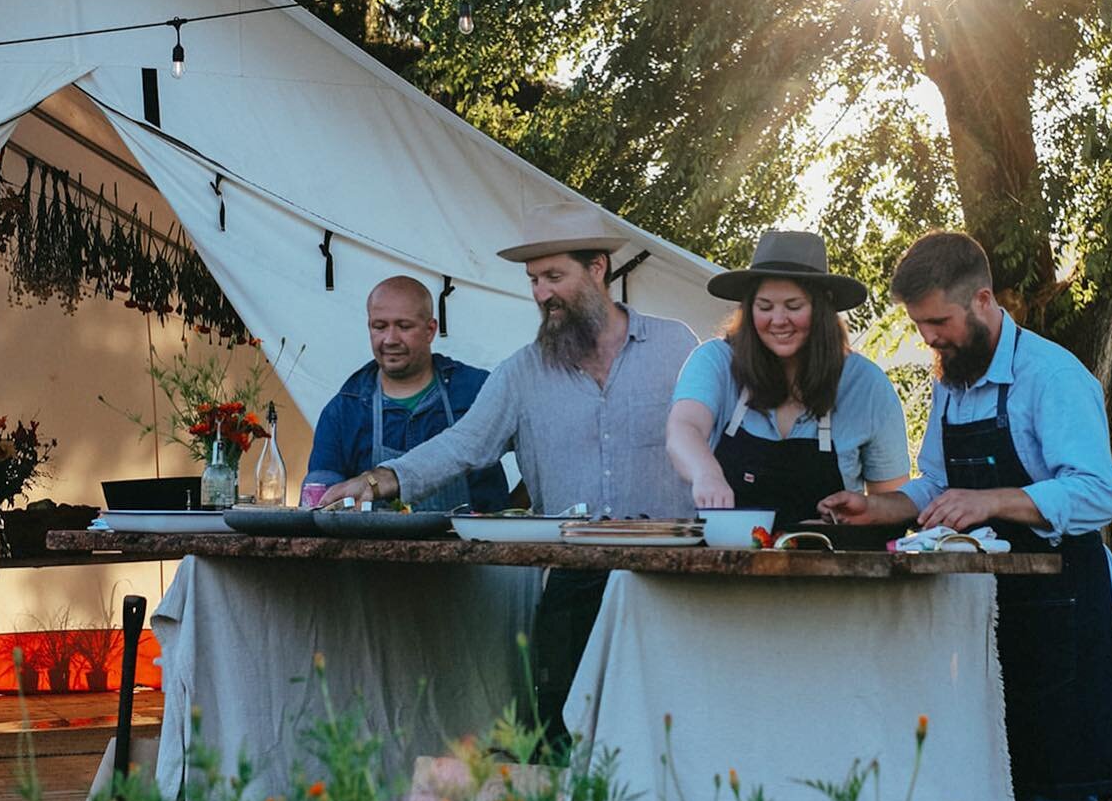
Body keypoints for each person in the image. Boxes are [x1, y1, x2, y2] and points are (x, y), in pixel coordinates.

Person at [820, 230, 1112, 801]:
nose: (931, 339)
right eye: (923, 327)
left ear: (983, 301)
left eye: (939, 324)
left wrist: (991, 499)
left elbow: (1095, 493)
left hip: (1068, 624)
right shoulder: (954, 383)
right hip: (990, 628)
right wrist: (879, 507)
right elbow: (934, 485)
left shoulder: (1053, 378)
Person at [317, 200, 698, 740]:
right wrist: (377, 479)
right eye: (534, 280)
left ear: (597, 270)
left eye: (554, 276)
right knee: (567, 742)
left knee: (671, 736)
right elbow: (462, 445)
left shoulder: (677, 346)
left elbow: (724, 436)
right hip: (573, 583)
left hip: (673, 582)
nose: (542, 293)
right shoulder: (522, 372)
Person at [666, 230, 909, 534]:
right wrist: (706, 472)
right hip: (725, 568)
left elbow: (892, 504)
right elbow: (683, 427)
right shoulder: (715, 360)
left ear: (822, 310)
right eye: (764, 307)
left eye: (794, 306)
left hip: (832, 572)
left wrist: (852, 519)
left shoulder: (866, 384)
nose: (778, 320)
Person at [306, 276, 509, 513]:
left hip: (473, 546)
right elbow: (320, 494)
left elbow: (541, 445)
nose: (390, 339)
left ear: (430, 330)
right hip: (373, 548)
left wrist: (522, 510)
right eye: (379, 326)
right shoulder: (345, 410)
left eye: (404, 326)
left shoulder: (476, 390)